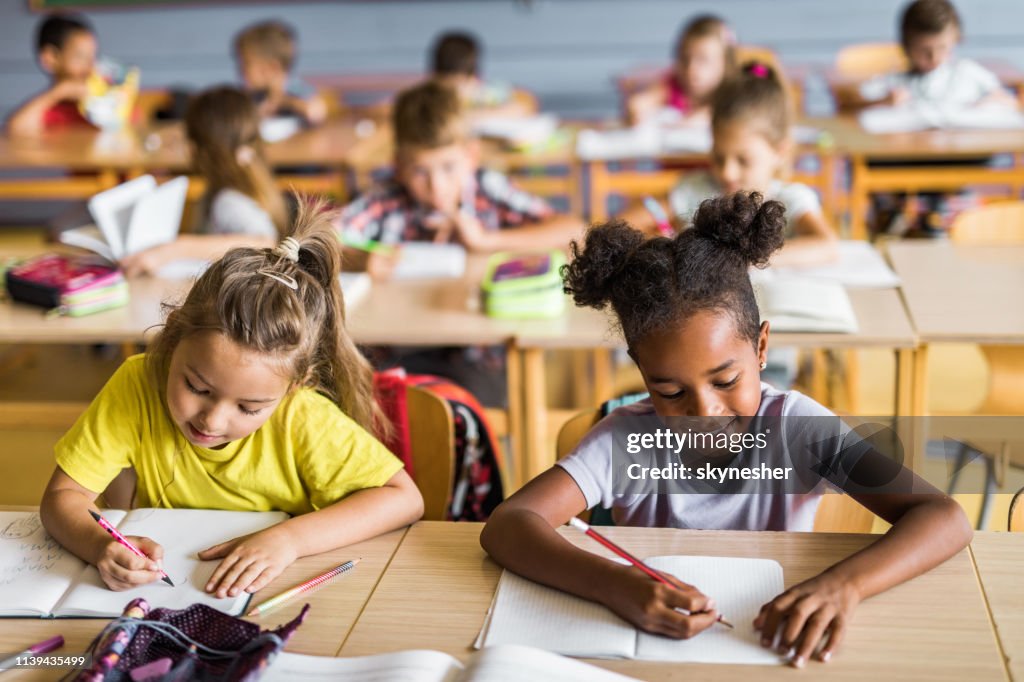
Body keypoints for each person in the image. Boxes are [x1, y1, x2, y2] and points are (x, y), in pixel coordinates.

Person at [481, 192, 972, 668]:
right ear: (640, 370)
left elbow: (942, 515)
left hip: (766, 647)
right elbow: (509, 524)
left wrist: (843, 586)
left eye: (726, 380)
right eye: (669, 391)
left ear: (761, 349)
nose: (704, 410)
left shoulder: (797, 429)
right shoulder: (625, 440)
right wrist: (616, 583)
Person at [41, 205, 424, 597]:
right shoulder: (137, 382)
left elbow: (404, 499)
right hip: (158, 596)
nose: (213, 420)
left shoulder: (302, 416)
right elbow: (63, 498)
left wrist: (288, 540)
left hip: (274, 594)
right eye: (198, 388)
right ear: (172, 339)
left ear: (296, 386)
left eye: (249, 408)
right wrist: (100, 545)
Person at [337, 80, 582, 278]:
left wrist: (486, 240)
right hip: (397, 334)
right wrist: (356, 259)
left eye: (449, 167)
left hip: (479, 333)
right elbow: (313, 242)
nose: (436, 187)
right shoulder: (386, 200)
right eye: (421, 171)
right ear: (399, 166)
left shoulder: (487, 188)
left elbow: (574, 231)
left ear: (471, 156)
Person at [120, 87, 289, 277]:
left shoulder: (228, 200)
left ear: (197, 149)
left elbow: (265, 243)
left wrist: (175, 249)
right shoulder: (252, 179)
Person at [625, 14, 736, 127]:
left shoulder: (734, 91)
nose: (691, 68)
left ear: (726, 63)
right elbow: (644, 101)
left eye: (703, 59)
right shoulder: (672, 85)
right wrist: (637, 108)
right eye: (684, 58)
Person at [7, 13, 97, 135]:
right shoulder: (45, 111)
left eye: (92, 58)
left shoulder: (101, 106)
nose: (90, 68)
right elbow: (15, 128)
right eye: (80, 57)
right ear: (50, 58)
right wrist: (62, 90)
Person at [233, 19, 328, 125]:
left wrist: (284, 102)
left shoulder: (297, 91)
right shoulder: (251, 98)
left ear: (273, 68)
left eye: (247, 63)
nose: (241, 69)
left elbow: (316, 112)